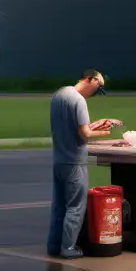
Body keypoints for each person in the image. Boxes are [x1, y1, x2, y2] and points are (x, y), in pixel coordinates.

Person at [46, 70, 117, 259]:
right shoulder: (79, 101)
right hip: (75, 161)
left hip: (59, 159)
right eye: (98, 86)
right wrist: (104, 133)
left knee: (59, 206)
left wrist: (96, 125)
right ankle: (68, 248)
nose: (97, 91)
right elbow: (84, 134)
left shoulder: (59, 95)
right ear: (90, 79)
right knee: (76, 207)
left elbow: (75, 128)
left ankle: (54, 245)